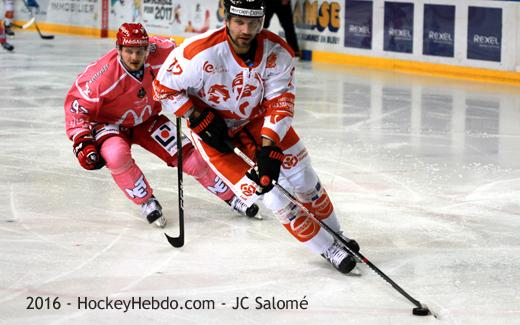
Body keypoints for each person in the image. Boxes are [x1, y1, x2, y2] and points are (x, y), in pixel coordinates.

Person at [153, 0, 359, 273]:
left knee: (304, 177)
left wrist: (269, 147)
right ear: (227, 19)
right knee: (270, 194)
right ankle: (328, 249)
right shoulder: (197, 53)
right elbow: (163, 89)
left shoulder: (278, 51)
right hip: (213, 135)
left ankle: (337, 235)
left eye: (253, 23)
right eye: (239, 22)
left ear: (262, 22)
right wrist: (194, 115)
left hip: (256, 120)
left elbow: (280, 100)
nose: (245, 29)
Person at [64, 23, 259, 228]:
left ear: (148, 48)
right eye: (128, 51)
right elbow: (76, 107)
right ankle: (146, 201)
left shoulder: (164, 51)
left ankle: (232, 197)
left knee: (192, 159)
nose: (134, 57)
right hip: (109, 123)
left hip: (147, 119)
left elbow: (192, 56)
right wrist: (82, 141)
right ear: (118, 49)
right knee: (116, 156)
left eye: (139, 51)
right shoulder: (101, 76)